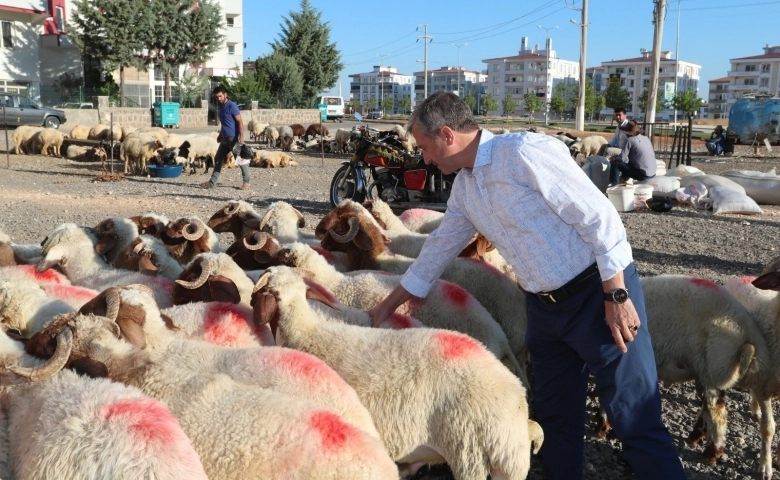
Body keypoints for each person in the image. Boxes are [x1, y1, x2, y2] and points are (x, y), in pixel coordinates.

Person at [368, 91, 685, 480]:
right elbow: (436, 250)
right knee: (554, 419)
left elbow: (600, 218)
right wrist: (386, 307)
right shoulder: (466, 188)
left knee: (632, 413)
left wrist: (616, 294)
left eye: (426, 147)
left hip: (597, 294)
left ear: (447, 134)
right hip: (544, 309)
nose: (426, 158)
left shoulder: (523, 152)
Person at [200, 85, 250, 190]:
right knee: (218, 159)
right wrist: (220, 134)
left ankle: (246, 182)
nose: (218, 98)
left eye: (220, 96)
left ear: (225, 94)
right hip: (225, 139)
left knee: (240, 160)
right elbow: (224, 123)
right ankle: (212, 182)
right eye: (217, 97)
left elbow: (240, 121)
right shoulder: (220, 107)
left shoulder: (232, 106)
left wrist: (242, 137)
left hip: (233, 139)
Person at [608, 120, 657, 186]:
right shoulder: (646, 138)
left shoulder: (629, 140)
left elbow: (621, 158)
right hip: (652, 173)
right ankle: (623, 181)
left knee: (616, 163)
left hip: (643, 175)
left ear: (628, 133)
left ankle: (614, 187)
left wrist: (614, 158)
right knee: (628, 163)